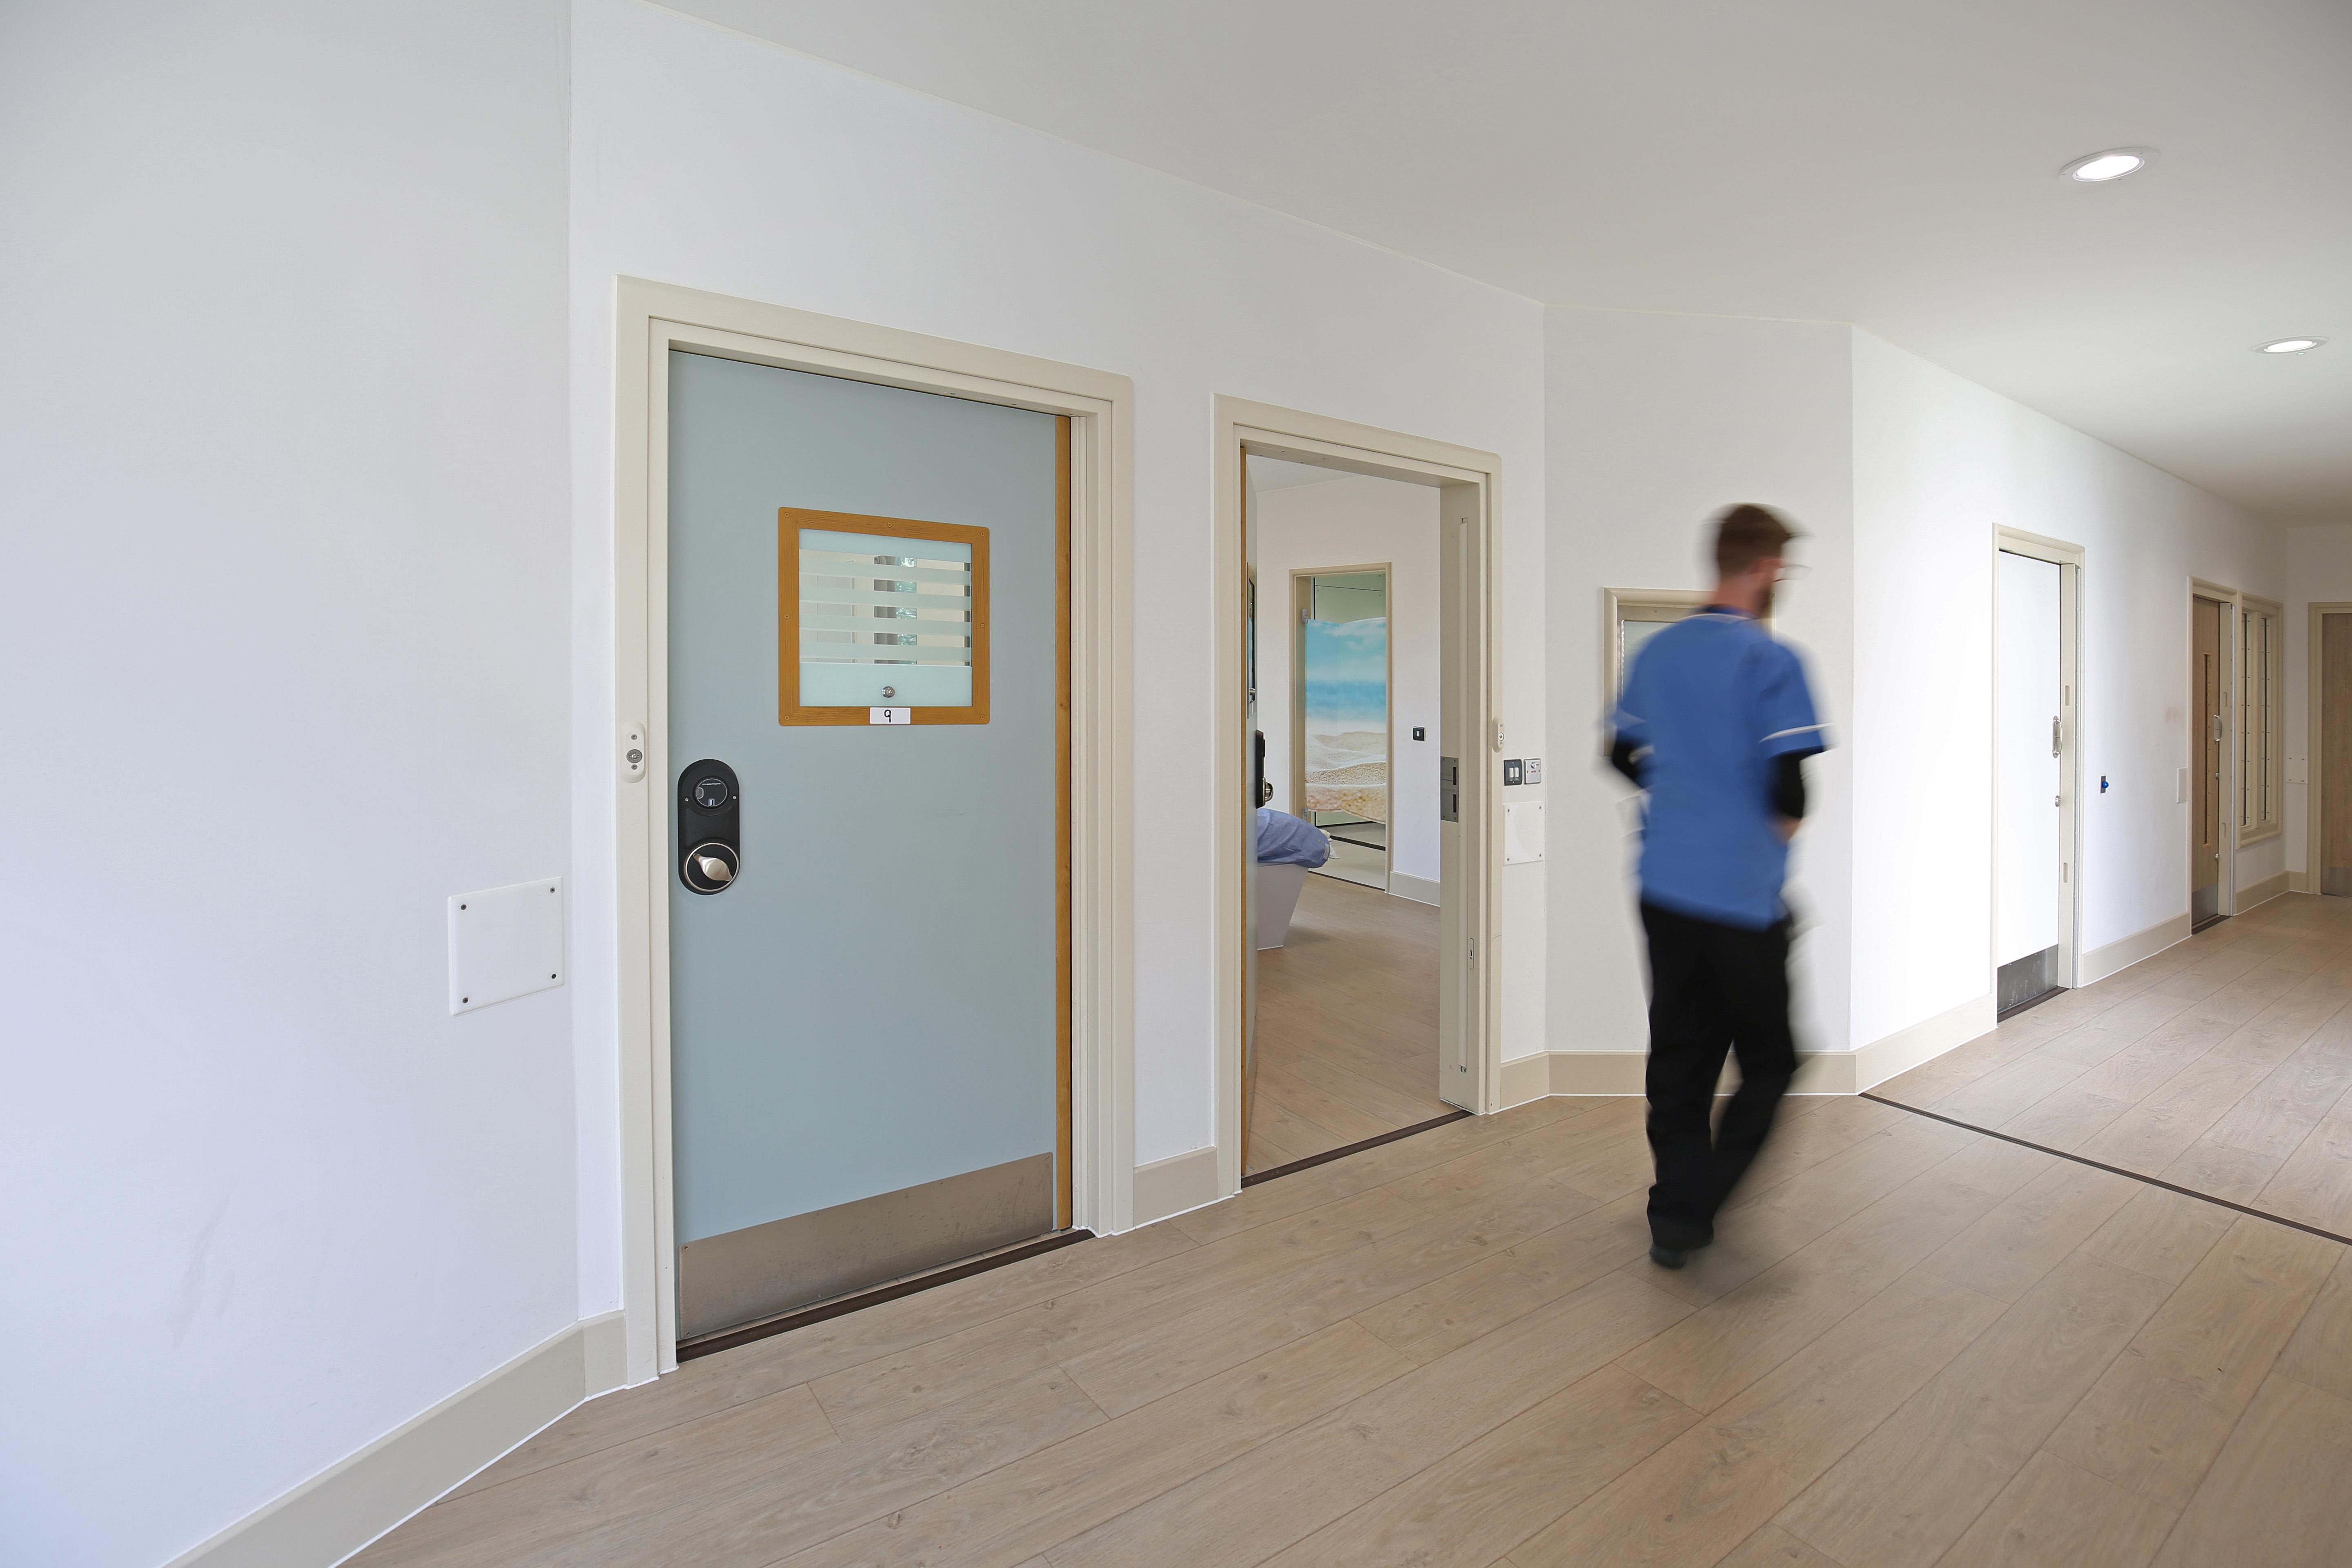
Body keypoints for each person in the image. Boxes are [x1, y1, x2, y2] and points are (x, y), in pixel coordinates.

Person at [1604, 504, 1827, 1269]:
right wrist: (1756, 829)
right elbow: (1792, 799)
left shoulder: (1658, 652)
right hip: (1739, 899)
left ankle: (1674, 1218)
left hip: (1663, 886)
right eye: (1782, 571)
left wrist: (1682, 792)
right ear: (1764, 568)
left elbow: (1619, 755)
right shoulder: (1773, 661)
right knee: (1772, 1062)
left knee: (1681, 1058)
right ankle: (1695, 1205)